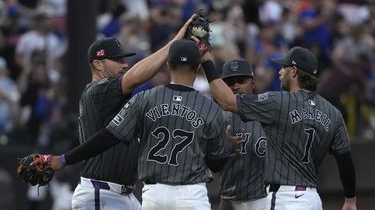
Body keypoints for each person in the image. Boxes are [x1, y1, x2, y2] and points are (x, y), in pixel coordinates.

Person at [33, 39, 239, 210]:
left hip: (146, 195)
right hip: (113, 192)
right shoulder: (208, 107)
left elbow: (109, 136)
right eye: (117, 60)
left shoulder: (146, 99)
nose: (124, 64)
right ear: (197, 67)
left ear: (168, 65)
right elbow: (217, 163)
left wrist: (65, 158)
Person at [61, 15, 195, 210]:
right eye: (117, 60)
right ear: (98, 64)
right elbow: (135, 78)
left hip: (123, 195)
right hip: (102, 194)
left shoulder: (111, 97)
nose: (124, 64)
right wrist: (174, 44)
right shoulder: (97, 91)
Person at [201, 46, 357, 210]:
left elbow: (226, 101)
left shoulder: (278, 102)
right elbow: (345, 160)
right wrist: (350, 198)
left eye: (284, 67)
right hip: (312, 198)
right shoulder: (333, 113)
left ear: (294, 71)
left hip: (285, 198)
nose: (280, 72)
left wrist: (206, 62)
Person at [218, 59, 268, 210]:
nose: (235, 86)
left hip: (262, 199)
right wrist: (223, 148)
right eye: (230, 83)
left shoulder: (268, 112)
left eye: (241, 81)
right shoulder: (217, 117)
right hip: (228, 200)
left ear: (252, 82)